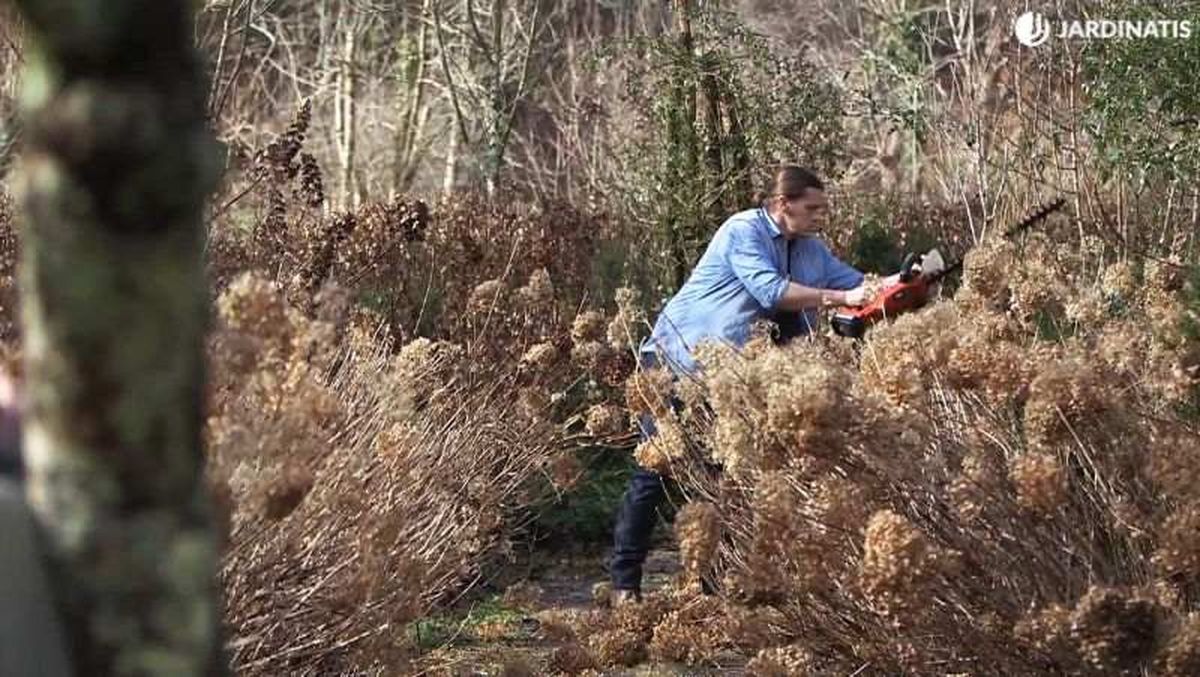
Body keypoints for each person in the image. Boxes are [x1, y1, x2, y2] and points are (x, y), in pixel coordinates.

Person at [609, 165, 869, 603]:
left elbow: (860, 284)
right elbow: (772, 292)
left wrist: (906, 283)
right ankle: (624, 585)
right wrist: (841, 298)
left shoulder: (812, 250)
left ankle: (711, 589)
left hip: (732, 377)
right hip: (677, 361)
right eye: (812, 208)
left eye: (823, 208)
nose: (819, 216)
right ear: (783, 204)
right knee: (654, 472)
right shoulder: (742, 230)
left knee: (725, 476)